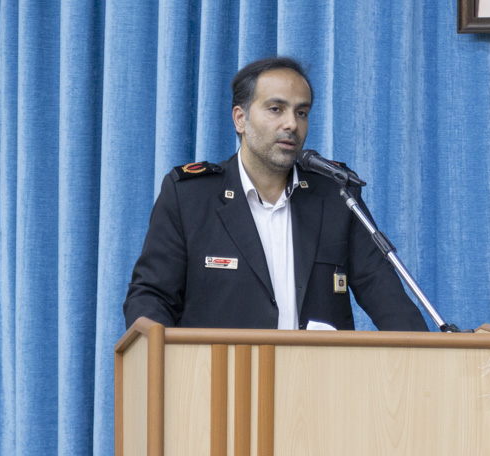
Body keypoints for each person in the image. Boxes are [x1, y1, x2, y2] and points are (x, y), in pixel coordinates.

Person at [123, 56, 427, 333]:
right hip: (219, 373)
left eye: (302, 112)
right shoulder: (190, 197)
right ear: (240, 119)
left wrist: (426, 353)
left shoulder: (336, 195)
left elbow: (385, 295)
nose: (291, 124)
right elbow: (151, 296)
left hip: (317, 373)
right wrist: (164, 357)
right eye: (275, 109)